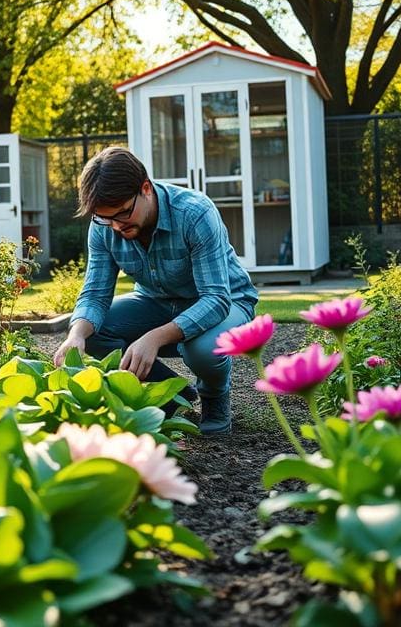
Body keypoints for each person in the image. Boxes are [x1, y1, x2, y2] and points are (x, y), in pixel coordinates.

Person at [53, 147, 258, 436]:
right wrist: (75, 336)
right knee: (92, 331)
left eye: (123, 214)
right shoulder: (105, 225)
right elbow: (95, 294)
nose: (115, 226)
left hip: (227, 302)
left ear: (145, 188)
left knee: (201, 348)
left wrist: (153, 337)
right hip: (156, 301)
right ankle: (172, 394)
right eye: (105, 218)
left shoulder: (194, 213)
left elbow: (216, 298)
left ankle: (214, 397)